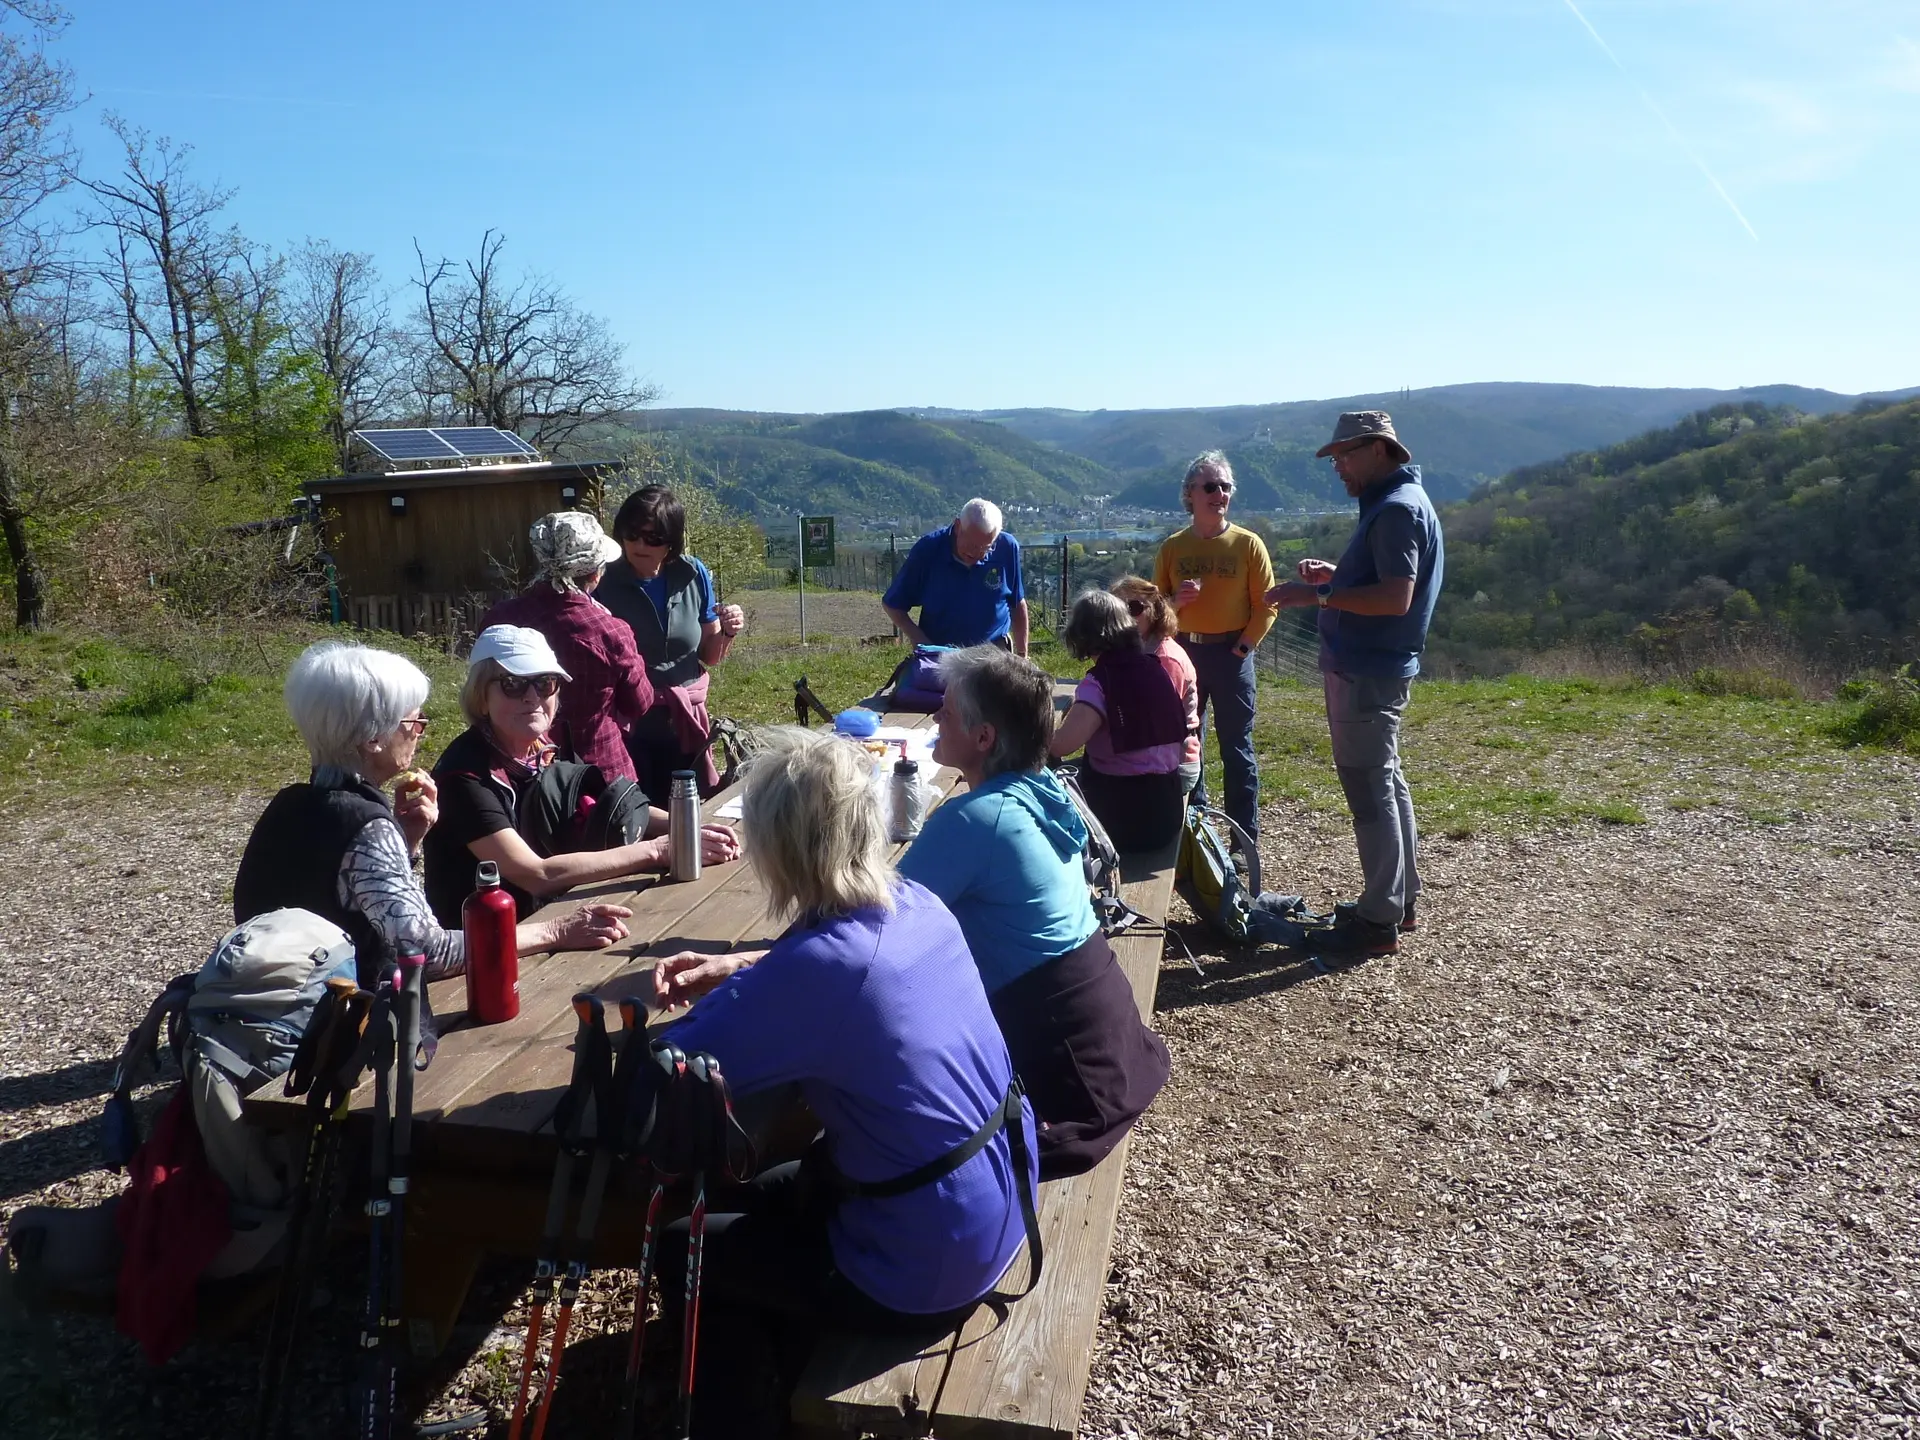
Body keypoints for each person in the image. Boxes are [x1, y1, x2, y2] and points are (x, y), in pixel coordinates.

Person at [647, 726, 1038, 1437]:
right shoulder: (918, 902)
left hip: (926, 1268)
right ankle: (784, 1346)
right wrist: (747, 970)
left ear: (775, 847)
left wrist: (736, 993)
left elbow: (673, 1067)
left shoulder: (820, 971)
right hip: (1003, 1199)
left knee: (683, 1243)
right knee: (776, 1185)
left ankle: (738, 1422)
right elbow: (836, 975)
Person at [899, 646, 1170, 1177]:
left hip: (1067, 1084)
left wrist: (746, 964)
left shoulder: (975, 819)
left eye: (948, 712)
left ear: (985, 738)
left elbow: (870, 929)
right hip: (1116, 1047)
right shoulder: (1042, 787)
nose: (937, 717)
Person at [233, 641, 636, 988]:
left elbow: (344, 898)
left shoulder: (291, 804)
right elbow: (427, 951)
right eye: (413, 720)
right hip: (344, 1024)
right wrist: (556, 930)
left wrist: (407, 838)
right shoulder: (366, 826)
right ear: (373, 738)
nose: (419, 730)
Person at [421, 625, 740, 930]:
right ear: (481, 696)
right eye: (513, 684)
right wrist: (662, 850)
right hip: (489, 946)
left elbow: (610, 807)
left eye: (545, 683)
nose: (532, 697)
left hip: (558, 910)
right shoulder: (464, 775)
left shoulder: (542, 748)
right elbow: (536, 874)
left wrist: (686, 828)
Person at [1267, 411, 1445, 955]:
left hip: (1367, 669)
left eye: (1344, 454)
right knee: (1386, 781)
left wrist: (1315, 595)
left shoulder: (1394, 510)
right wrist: (1338, 579)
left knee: (1369, 790)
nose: (1338, 466)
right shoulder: (1399, 502)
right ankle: (1398, 899)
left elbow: (1396, 597)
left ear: (1379, 450)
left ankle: (1378, 918)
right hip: (1376, 666)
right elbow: (1382, 583)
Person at [1152, 451, 1276, 853]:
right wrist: (1176, 603)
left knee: (1237, 747)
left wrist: (1242, 647)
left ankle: (1244, 845)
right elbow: (1152, 609)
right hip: (1184, 653)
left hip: (1232, 653)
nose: (1219, 494)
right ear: (1189, 494)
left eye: (1225, 486)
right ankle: (1199, 836)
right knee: (1189, 741)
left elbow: (1267, 604)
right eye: (1210, 486)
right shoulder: (1173, 548)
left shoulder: (1248, 544)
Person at [595, 484, 748, 801]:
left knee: (689, 808)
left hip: (683, 722)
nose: (639, 544)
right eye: (632, 534)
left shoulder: (693, 573)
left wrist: (728, 632)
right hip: (626, 724)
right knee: (637, 811)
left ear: (671, 542)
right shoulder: (602, 579)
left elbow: (709, 655)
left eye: (653, 538)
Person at [479, 510, 653, 782]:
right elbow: (640, 703)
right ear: (595, 573)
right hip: (600, 776)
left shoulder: (500, 620)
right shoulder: (610, 630)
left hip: (518, 771)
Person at [1048, 590, 1194, 854]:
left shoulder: (1100, 682)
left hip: (1121, 823)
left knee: (1047, 772)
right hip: (1167, 813)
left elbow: (1061, 746)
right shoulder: (1157, 668)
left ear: (1083, 636)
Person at [882, 497, 1029, 654]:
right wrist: (923, 644)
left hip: (995, 655)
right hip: (942, 657)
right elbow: (893, 605)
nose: (976, 553)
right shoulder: (927, 551)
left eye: (985, 548)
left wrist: (1022, 655)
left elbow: (1017, 603)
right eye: (971, 545)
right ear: (958, 526)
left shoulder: (1007, 547)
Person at [1109, 573, 1202, 801]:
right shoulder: (1134, 650)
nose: (1126, 616)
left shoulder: (1164, 659)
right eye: (1117, 609)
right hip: (1147, 756)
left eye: (1134, 607)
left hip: (1171, 764)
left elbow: (1156, 724)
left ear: (1153, 610)